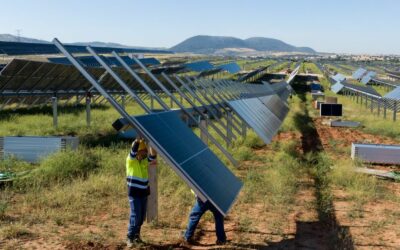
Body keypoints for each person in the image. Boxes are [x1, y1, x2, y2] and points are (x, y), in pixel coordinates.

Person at [126, 137, 157, 247]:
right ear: (138, 151)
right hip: (134, 193)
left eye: (145, 152)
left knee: (141, 216)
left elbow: (153, 156)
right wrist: (137, 141)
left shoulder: (144, 161)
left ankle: (137, 236)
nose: (144, 154)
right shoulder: (131, 160)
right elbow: (133, 152)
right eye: (142, 152)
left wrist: (152, 144)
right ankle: (129, 237)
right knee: (135, 215)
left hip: (143, 193)